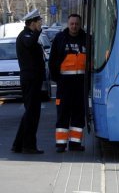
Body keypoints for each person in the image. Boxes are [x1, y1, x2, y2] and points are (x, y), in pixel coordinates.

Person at [49, 14, 87, 152]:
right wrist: (57, 79)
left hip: (81, 85)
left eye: (76, 24)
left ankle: (75, 144)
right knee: (63, 114)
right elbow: (52, 61)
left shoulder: (87, 39)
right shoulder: (60, 39)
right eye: (72, 24)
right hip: (64, 85)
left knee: (78, 115)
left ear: (80, 24)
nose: (74, 26)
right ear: (68, 24)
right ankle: (60, 144)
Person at [12, 9, 46, 154]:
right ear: (32, 23)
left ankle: (18, 144)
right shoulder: (26, 35)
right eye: (39, 22)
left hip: (34, 79)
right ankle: (28, 145)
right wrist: (37, 33)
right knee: (32, 113)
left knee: (30, 112)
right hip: (30, 79)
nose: (41, 24)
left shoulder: (31, 35)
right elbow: (28, 44)